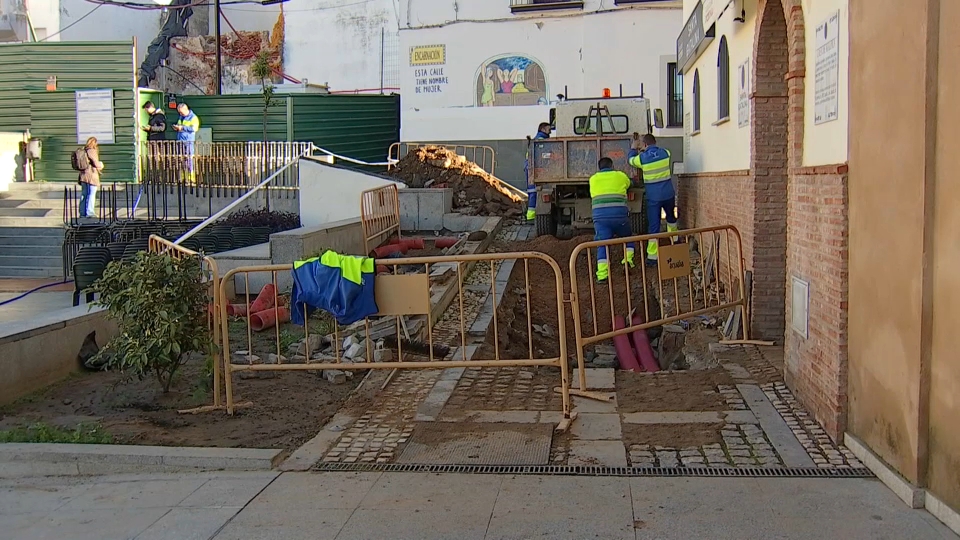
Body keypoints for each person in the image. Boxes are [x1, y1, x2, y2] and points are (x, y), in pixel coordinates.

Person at [629, 134, 678, 266]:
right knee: (671, 218)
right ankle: (675, 241)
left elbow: (631, 160)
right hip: (668, 194)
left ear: (644, 145)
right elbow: (662, 152)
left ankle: (652, 257)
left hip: (654, 197)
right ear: (655, 142)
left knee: (654, 226)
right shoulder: (665, 153)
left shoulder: (642, 158)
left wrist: (634, 148)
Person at [589, 156, 635, 282]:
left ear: (599, 168)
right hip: (619, 215)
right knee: (628, 238)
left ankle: (602, 275)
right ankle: (628, 260)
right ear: (612, 166)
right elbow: (629, 184)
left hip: (601, 218)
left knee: (602, 244)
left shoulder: (593, 179)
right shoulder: (620, 176)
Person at [524, 122, 552, 221]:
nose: (550, 131)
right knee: (533, 191)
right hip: (533, 168)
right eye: (549, 129)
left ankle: (530, 215)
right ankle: (531, 217)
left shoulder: (537, 139)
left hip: (531, 167)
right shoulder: (541, 141)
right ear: (543, 129)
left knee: (533, 191)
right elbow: (544, 156)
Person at [173, 102, 200, 183]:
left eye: (181, 112)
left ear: (186, 109)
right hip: (180, 140)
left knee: (189, 159)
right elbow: (179, 125)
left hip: (188, 141)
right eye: (179, 112)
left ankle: (191, 178)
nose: (180, 113)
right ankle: (182, 178)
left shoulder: (193, 118)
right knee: (180, 159)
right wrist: (177, 127)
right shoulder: (181, 117)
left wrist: (182, 128)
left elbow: (194, 129)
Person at [78, 137, 104, 219]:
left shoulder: (83, 151)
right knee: (91, 194)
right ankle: (90, 212)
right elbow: (96, 163)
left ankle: (82, 213)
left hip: (83, 175)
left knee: (84, 194)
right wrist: (101, 164)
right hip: (91, 176)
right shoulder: (91, 151)